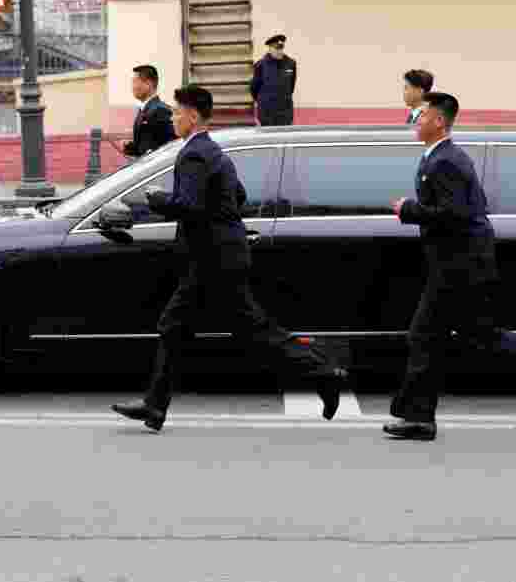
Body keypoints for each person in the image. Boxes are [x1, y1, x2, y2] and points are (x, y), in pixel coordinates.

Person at [111, 84, 346, 432]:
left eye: (177, 113)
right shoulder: (213, 151)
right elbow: (237, 195)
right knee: (205, 328)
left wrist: (157, 199)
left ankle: (324, 372)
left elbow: (189, 206)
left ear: (192, 117)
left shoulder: (193, 154)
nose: (173, 118)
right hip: (221, 255)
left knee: (222, 328)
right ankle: (155, 406)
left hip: (211, 261)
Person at [384, 92, 499, 441]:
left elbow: (455, 215)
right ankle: (417, 416)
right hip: (453, 262)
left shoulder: (445, 161)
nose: (417, 122)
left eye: (422, 117)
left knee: (430, 336)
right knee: (459, 337)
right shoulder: (439, 157)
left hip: (459, 265)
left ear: (438, 121)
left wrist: (408, 210)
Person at [122, 65, 175, 158]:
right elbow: (148, 144)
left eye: (135, 82)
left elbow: (170, 148)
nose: (132, 87)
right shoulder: (145, 109)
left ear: (148, 84)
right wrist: (132, 148)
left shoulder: (160, 110)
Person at [250, 35, 297, 126]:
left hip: (285, 114)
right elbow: (254, 88)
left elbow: (291, 87)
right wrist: (264, 101)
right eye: (276, 48)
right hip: (267, 114)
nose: (280, 51)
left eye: (281, 48)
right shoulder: (261, 65)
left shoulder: (290, 64)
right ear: (270, 48)